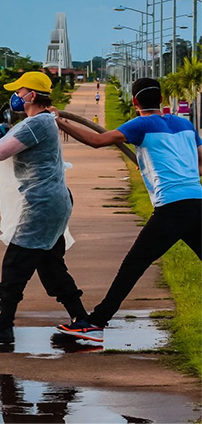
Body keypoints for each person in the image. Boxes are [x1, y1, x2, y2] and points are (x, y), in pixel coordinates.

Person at [54, 78, 201, 342]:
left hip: (171, 208)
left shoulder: (141, 124)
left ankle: (96, 323)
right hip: (196, 201)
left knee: (133, 265)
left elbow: (97, 140)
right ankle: (96, 321)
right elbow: (198, 163)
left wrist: (59, 120)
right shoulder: (184, 124)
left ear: (135, 102)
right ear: (161, 99)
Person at [0, 71, 88, 343]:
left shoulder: (37, 123)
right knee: (50, 266)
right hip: (52, 201)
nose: (15, 97)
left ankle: (3, 325)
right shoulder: (40, 122)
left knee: (15, 263)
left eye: (19, 92)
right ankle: (81, 320)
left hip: (42, 204)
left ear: (32, 96)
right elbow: (9, 146)